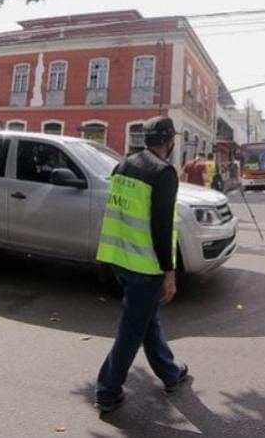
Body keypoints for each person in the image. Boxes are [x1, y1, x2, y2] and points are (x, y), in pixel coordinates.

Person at [95, 116, 189, 413]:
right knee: (131, 332)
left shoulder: (123, 165)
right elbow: (162, 228)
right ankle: (107, 391)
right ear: (169, 142)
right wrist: (169, 274)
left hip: (120, 259)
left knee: (147, 321)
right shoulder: (163, 173)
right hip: (145, 266)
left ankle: (170, 373)